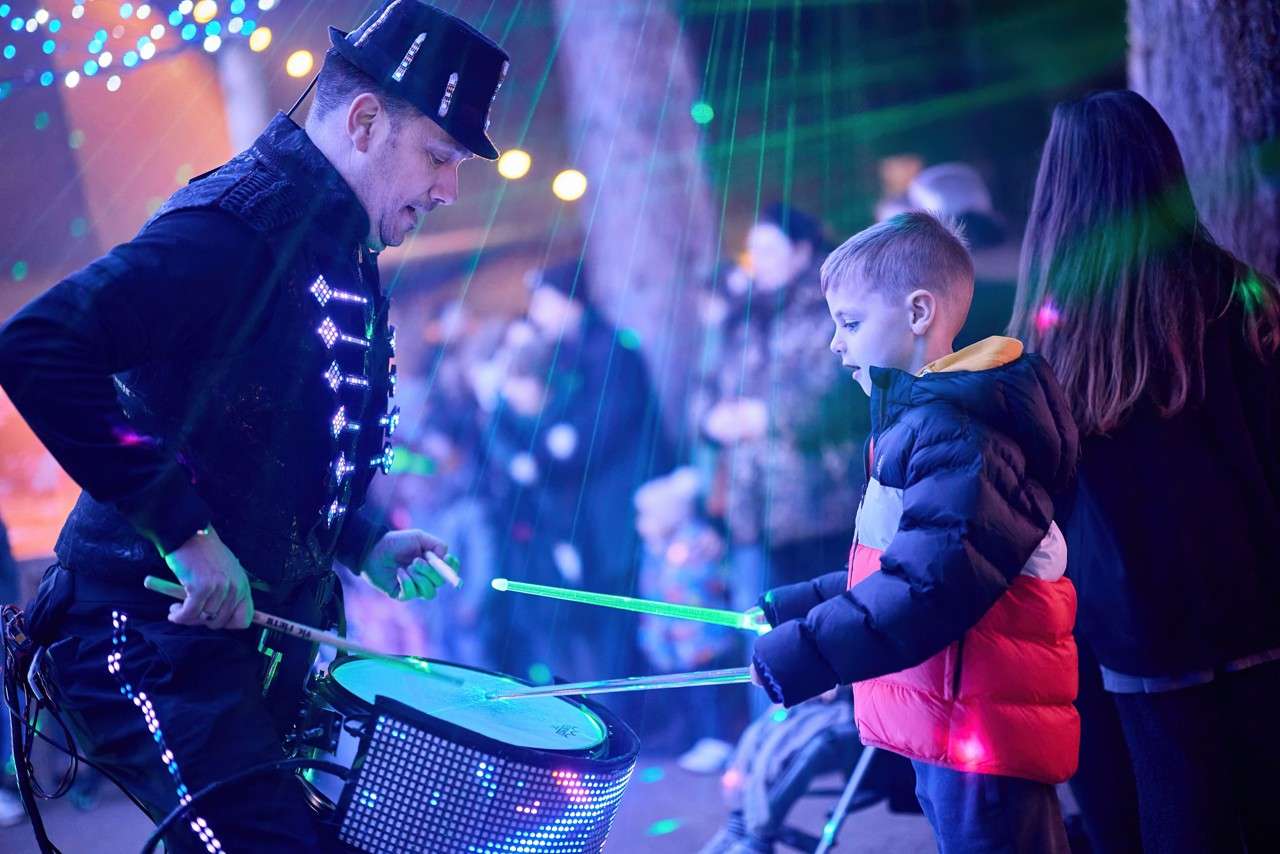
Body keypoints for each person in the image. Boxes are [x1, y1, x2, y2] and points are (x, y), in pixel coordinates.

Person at [0, 3, 510, 849]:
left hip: (252, 654)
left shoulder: (343, 240)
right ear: (364, 119)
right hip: (150, 633)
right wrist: (184, 533)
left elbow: (271, 438)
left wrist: (362, 537)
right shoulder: (235, 226)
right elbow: (39, 346)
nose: (448, 189)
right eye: (438, 156)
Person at [750, 211, 1081, 852]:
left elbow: (932, 583)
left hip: (979, 722)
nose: (834, 344)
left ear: (919, 313)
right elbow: (904, 558)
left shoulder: (955, 430)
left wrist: (808, 653)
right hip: (948, 713)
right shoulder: (923, 423)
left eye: (849, 322)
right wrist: (797, 607)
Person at [1010, 89, 1280, 854]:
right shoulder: (1239, 292)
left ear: (1060, 186)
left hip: (1132, 626)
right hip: (1258, 596)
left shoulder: (1051, 328)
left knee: (1178, 809)